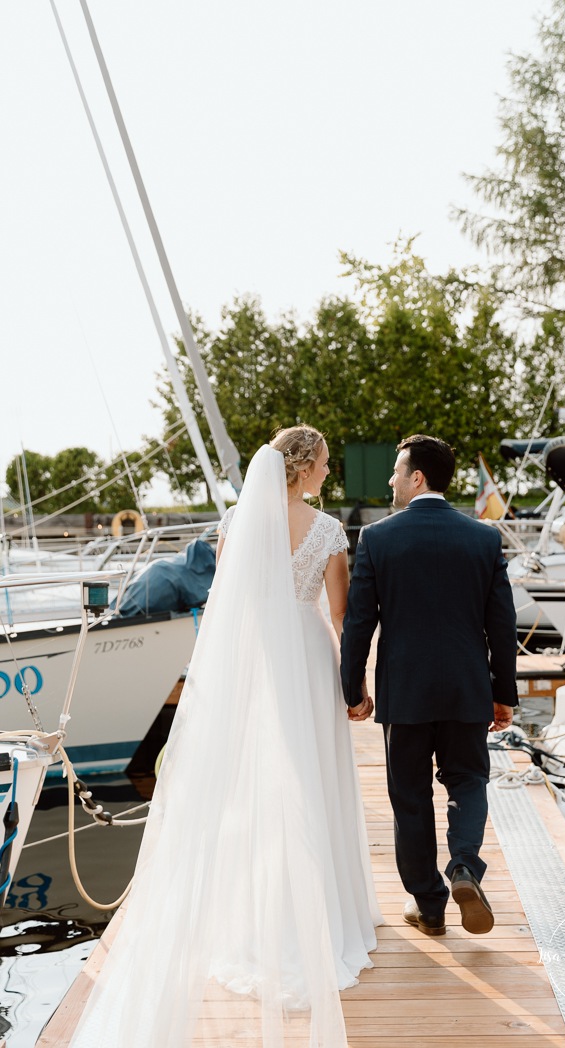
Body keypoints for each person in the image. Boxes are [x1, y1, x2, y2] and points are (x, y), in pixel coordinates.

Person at [70, 425, 380, 1048]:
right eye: (322, 464)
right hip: (309, 659)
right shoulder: (326, 532)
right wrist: (359, 687)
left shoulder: (238, 523)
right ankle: (319, 917)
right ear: (304, 466)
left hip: (258, 662)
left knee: (254, 784)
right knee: (313, 777)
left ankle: (257, 921)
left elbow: (227, 604)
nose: (327, 474)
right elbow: (343, 616)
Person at [340, 434, 517, 938]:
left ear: (417, 477)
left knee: (411, 797)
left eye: (397, 471)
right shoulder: (484, 539)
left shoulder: (379, 538)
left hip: (406, 693)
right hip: (466, 689)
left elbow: (358, 625)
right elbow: (501, 626)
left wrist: (352, 690)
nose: (391, 480)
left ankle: (430, 907)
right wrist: (502, 693)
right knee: (467, 781)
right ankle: (463, 865)